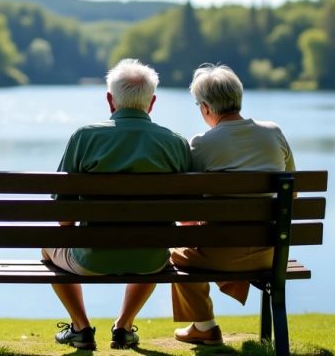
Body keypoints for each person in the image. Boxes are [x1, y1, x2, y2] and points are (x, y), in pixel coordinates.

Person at [44, 58, 191, 350]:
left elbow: (63, 216)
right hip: (152, 261)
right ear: (152, 102)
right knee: (152, 242)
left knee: (49, 244)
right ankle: (123, 327)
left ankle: (80, 327)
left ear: (110, 100)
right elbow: (188, 213)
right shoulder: (175, 143)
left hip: (91, 261)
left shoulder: (85, 137)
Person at [170, 63, 295, 346]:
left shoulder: (200, 145)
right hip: (271, 252)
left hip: (222, 254)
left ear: (205, 108)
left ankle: (204, 326)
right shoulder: (274, 133)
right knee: (229, 244)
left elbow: (187, 211)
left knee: (175, 255)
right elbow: (292, 195)